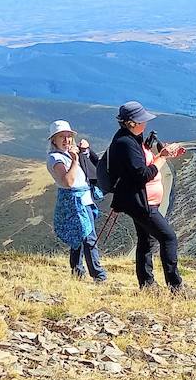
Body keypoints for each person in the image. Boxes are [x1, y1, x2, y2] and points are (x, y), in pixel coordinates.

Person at [106, 101, 186, 293]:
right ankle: (176, 286)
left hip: (142, 201)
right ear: (131, 122)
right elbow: (142, 175)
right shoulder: (125, 143)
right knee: (168, 238)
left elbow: (144, 163)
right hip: (140, 203)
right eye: (142, 120)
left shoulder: (132, 138)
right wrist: (163, 157)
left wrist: (162, 153)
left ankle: (147, 285)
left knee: (146, 240)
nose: (145, 123)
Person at [46, 121, 107, 282]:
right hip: (74, 201)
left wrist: (84, 153)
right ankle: (98, 275)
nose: (66, 140)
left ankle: (77, 272)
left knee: (79, 236)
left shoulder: (70, 154)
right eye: (62, 137)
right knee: (88, 236)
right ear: (54, 140)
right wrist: (74, 160)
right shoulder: (55, 158)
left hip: (84, 198)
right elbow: (68, 182)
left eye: (68, 136)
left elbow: (90, 171)